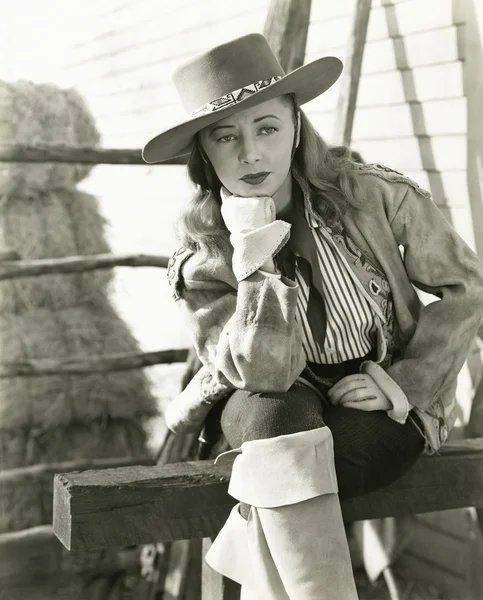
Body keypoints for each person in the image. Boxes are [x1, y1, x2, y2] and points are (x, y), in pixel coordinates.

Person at [142, 33, 483, 600]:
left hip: (375, 394)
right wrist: (253, 250)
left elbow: (466, 287)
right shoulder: (203, 249)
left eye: (267, 128)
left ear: (296, 126)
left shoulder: (373, 193)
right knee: (277, 432)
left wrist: (405, 382)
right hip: (266, 399)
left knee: (291, 469)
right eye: (227, 137)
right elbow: (265, 374)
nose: (251, 154)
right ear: (204, 152)